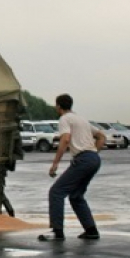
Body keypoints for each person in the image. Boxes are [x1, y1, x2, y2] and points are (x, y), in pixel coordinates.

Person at [38, 93, 106, 241]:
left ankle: (57, 231)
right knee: (76, 196)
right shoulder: (81, 119)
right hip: (94, 159)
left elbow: (65, 139)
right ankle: (91, 230)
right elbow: (101, 136)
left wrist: (55, 163)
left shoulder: (64, 119)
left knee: (56, 192)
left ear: (58, 106)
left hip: (83, 159)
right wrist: (93, 152)